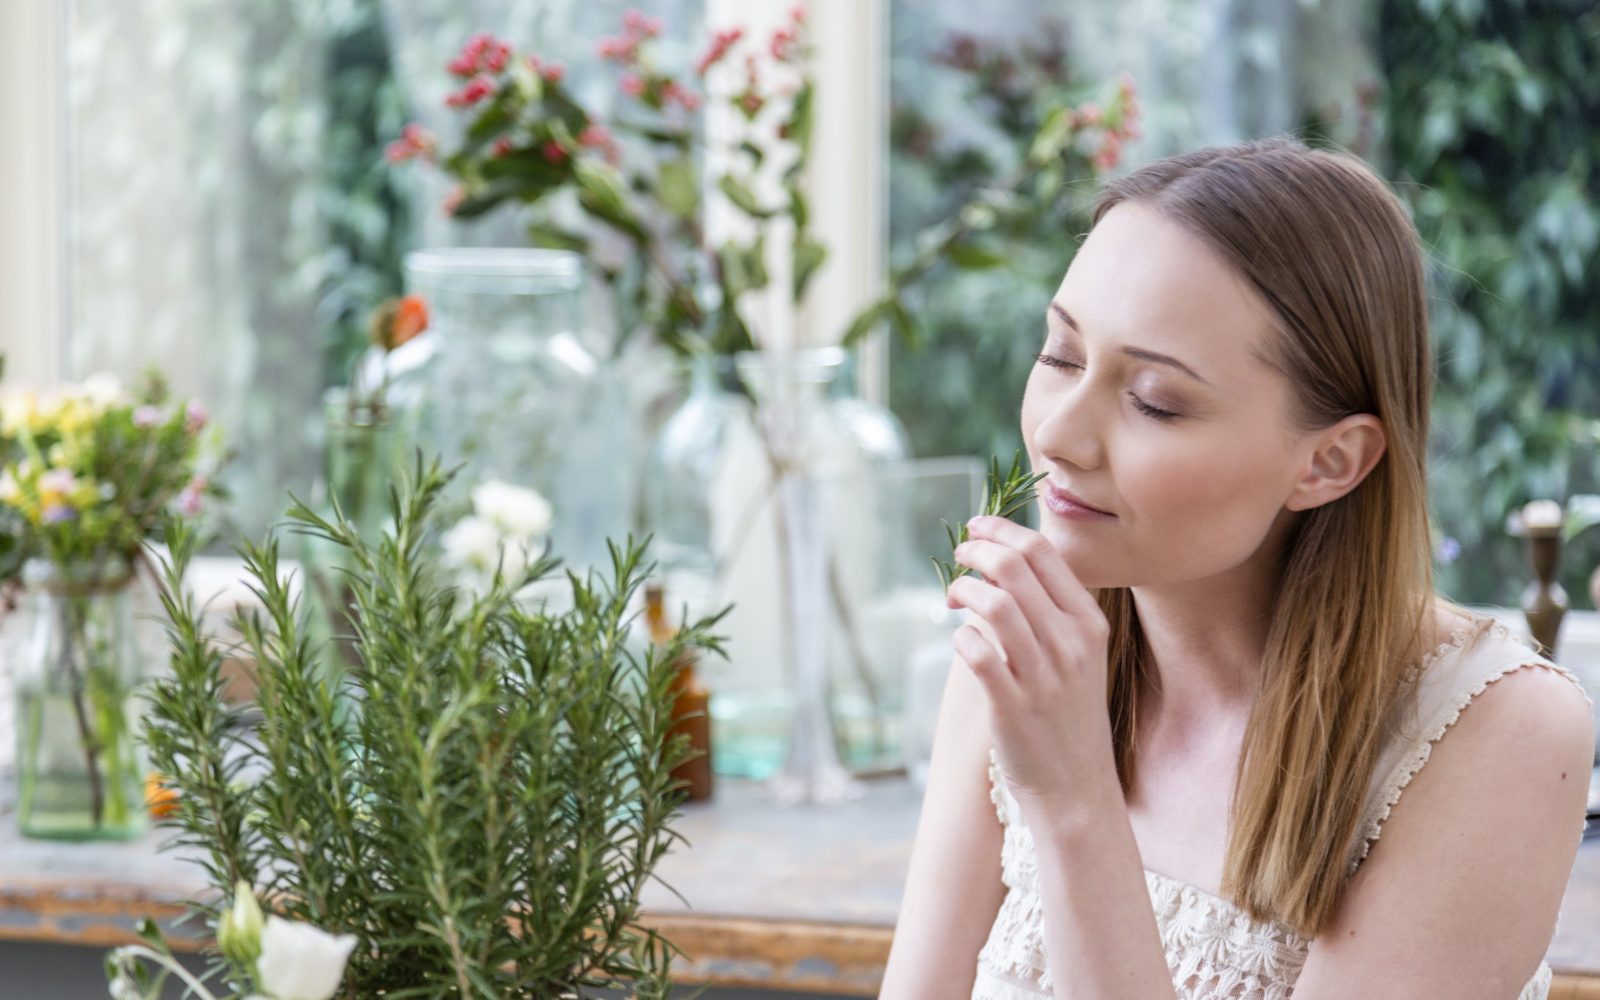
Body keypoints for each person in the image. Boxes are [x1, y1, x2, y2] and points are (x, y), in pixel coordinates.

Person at [879, 136, 1595, 999]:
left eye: (1156, 402)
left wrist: (1073, 804)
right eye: (1061, 355)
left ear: (1329, 462)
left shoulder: (1502, 733)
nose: (1058, 436)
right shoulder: (1028, 657)